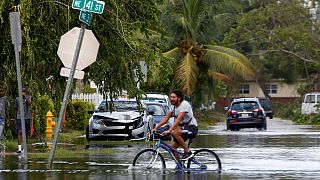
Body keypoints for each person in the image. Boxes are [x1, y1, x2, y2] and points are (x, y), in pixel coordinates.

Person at [152, 89, 198, 162]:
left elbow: (178, 119)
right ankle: (180, 166)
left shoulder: (184, 104)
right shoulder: (173, 107)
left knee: (174, 132)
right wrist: (156, 127)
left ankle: (188, 152)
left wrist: (169, 130)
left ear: (179, 98)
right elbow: (166, 118)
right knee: (172, 148)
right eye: (171, 97)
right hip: (182, 129)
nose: (171, 99)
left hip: (192, 128)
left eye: (174, 97)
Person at [14, 87, 31, 153]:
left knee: (26, 133)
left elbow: (29, 103)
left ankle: (25, 148)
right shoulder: (17, 99)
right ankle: (19, 148)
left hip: (27, 118)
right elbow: (15, 109)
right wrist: (15, 119)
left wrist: (25, 97)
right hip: (19, 118)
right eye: (22, 91)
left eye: (24, 91)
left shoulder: (28, 97)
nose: (23, 92)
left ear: (26, 92)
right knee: (20, 132)